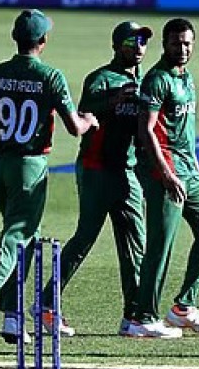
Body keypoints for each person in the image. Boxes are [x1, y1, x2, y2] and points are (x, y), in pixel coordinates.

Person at [0, 9, 99, 356]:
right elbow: (75, 128)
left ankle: (13, 315)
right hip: (30, 167)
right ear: (42, 42)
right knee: (15, 238)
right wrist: (91, 120)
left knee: (25, 237)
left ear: (16, 38)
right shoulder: (51, 77)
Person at [39, 21, 150, 337]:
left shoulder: (142, 80)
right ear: (117, 46)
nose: (139, 46)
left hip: (126, 171)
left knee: (134, 244)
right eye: (132, 40)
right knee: (85, 237)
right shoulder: (101, 78)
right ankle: (46, 305)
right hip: (96, 168)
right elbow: (85, 113)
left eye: (143, 40)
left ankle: (134, 317)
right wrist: (115, 100)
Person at [128, 18, 199, 338]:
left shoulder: (187, 77)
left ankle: (184, 306)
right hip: (162, 170)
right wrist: (166, 174)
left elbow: (186, 132)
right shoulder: (156, 80)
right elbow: (146, 130)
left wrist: (197, 169)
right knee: (161, 244)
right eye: (175, 43)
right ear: (165, 45)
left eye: (187, 43)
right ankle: (142, 317)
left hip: (190, 170)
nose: (182, 49)